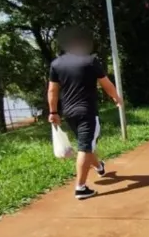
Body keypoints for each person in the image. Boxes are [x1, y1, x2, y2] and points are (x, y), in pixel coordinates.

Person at [48, 27, 123, 200]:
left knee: (86, 143)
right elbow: (105, 83)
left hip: (69, 113)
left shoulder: (56, 64)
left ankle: (99, 167)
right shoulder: (90, 61)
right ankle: (80, 188)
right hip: (87, 111)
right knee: (85, 147)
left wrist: (53, 111)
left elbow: (52, 90)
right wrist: (116, 97)